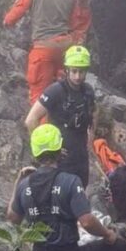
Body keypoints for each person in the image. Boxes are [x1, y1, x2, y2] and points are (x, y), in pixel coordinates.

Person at [2, 0, 78, 105]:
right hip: (66, 48)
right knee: (64, 91)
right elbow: (76, 23)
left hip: (44, 48)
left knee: (40, 96)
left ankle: (42, 127)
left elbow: (17, 11)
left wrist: (6, 22)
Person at [25, 45, 95, 187]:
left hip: (80, 157)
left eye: (81, 72)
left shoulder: (88, 91)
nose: (77, 76)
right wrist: (45, 149)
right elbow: (31, 120)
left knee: (79, 192)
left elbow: (94, 111)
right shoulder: (55, 91)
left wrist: (90, 139)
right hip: (60, 160)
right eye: (74, 71)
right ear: (67, 70)